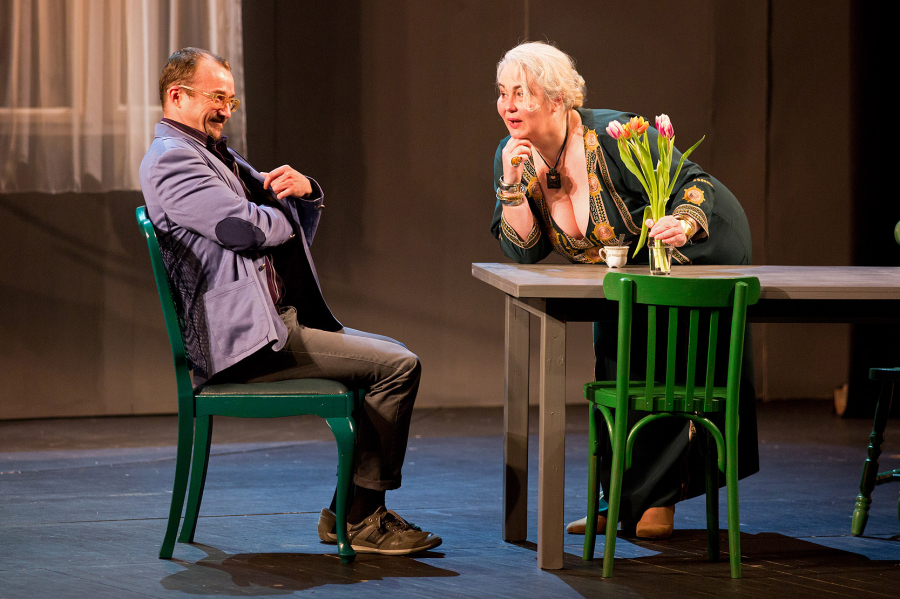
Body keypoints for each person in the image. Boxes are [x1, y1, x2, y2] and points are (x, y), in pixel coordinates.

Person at [139, 47, 440, 555]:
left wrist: (304, 192)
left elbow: (278, 220)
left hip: (271, 324)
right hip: (245, 343)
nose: (225, 110)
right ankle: (361, 518)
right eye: (216, 98)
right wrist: (283, 217)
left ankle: (349, 514)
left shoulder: (212, 153)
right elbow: (242, 229)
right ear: (177, 95)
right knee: (397, 367)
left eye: (231, 101)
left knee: (393, 358)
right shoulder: (172, 160)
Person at [490, 42, 757, 539]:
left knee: (665, 362)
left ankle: (652, 500)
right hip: (631, 272)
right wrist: (510, 184)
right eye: (503, 93)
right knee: (617, 363)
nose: (508, 105)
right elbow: (524, 251)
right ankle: (624, 497)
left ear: (555, 98)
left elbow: (695, 183)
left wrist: (682, 223)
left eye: (520, 93)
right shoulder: (515, 155)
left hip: (699, 247)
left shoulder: (618, 136)